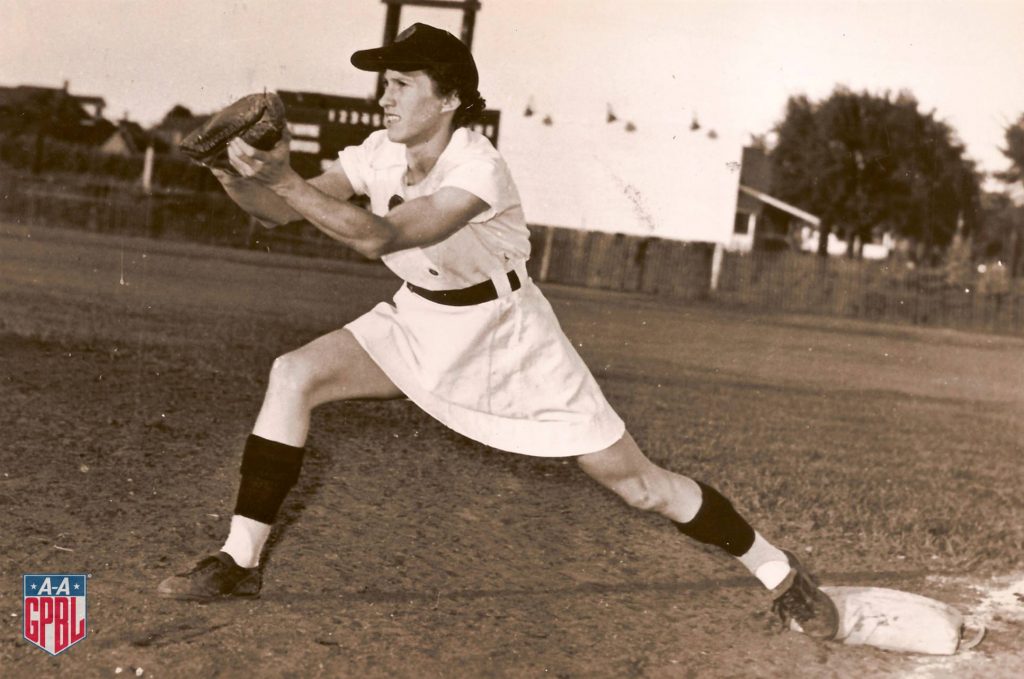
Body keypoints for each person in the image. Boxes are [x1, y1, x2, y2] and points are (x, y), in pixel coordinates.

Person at [157, 23, 839, 640]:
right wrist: (228, 172)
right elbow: (279, 212)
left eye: (400, 84)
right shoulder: (377, 153)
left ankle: (779, 570)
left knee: (641, 485)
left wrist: (284, 179)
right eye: (382, 83)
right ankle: (238, 560)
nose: (383, 98)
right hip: (420, 317)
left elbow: (380, 236)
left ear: (449, 97)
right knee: (293, 372)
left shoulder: (478, 167)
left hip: (512, 339)